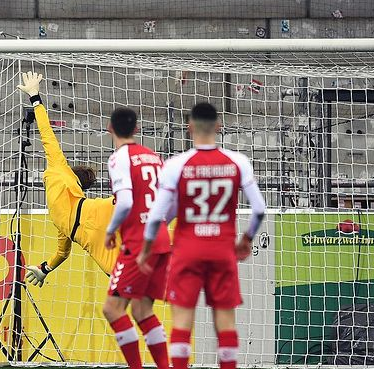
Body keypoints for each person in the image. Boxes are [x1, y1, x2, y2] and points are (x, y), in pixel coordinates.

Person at [138, 102, 266, 369]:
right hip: (222, 251)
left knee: (183, 322)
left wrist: (147, 248)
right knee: (226, 323)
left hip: (187, 252)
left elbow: (156, 216)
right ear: (219, 126)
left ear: (189, 128)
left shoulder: (176, 165)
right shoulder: (238, 161)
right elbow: (259, 209)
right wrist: (246, 239)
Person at [16, 72, 120, 286]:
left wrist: (35, 97)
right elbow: (62, 251)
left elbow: (47, 134)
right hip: (91, 224)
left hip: (93, 222)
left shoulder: (59, 168)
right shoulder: (62, 218)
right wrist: (45, 268)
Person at [102, 107, 170, 369]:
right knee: (142, 310)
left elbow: (126, 202)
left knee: (112, 309)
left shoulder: (119, 158)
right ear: (137, 129)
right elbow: (168, 201)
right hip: (160, 240)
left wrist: (110, 230)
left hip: (138, 242)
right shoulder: (154, 158)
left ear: (110, 127)